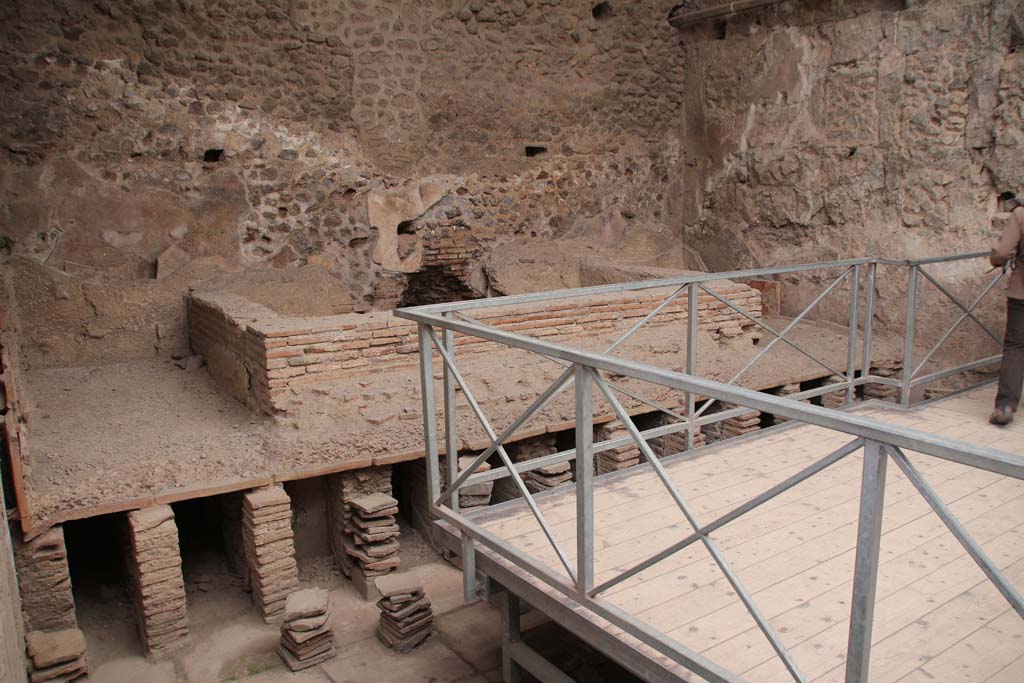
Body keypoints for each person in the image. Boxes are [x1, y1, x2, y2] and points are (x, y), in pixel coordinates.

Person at [989, 191, 1024, 426]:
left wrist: (996, 257)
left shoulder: (1020, 214)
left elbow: (1002, 252)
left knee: (1016, 346)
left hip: (1021, 292)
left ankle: (1005, 406)